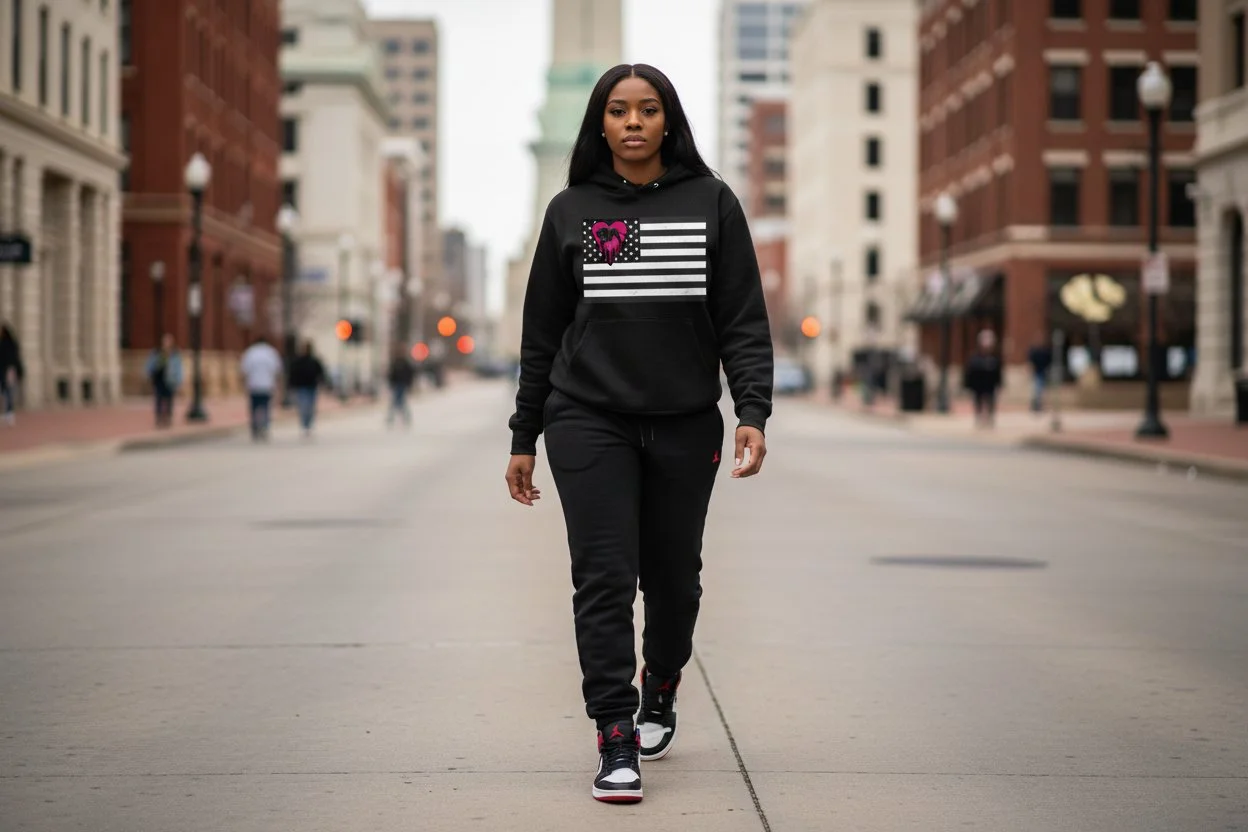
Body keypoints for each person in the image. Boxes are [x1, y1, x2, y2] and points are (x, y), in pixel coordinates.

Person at [504, 63, 773, 804]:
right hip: (586, 419)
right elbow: (542, 334)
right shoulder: (572, 211)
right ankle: (614, 732)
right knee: (603, 578)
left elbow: (742, 320)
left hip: (685, 422)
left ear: (667, 121)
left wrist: (752, 411)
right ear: (599, 125)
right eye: (618, 111)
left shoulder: (712, 203)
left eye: (646, 110)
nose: (631, 122)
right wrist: (525, 434)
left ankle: (662, 682)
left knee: (674, 580)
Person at [239, 335, 284, 440]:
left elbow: (244, 370)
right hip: (267, 385)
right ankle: (264, 426)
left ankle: (255, 427)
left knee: (254, 407)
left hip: (253, 385)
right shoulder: (271, 353)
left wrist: (243, 384)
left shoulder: (250, 352)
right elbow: (277, 370)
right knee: (265, 408)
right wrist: (279, 386)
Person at [287, 340, 328, 437]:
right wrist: (291, 384)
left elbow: (321, 373)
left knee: (310, 407)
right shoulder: (298, 361)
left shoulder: (314, 361)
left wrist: (323, 383)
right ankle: (304, 424)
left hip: (311, 387)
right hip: (301, 387)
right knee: (303, 407)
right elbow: (292, 373)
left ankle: (308, 424)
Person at [964, 329, 1004, 428]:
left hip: (990, 385)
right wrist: (968, 384)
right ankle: (978, 417)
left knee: (991, 400)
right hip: (978, 385)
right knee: (978, 400)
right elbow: (969, 372)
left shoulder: (994, 359)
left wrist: (1000, 383)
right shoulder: (975, 358)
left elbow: (998, 373)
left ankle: (990, 417)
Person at [144, 333, 184, 427]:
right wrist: (148, 374)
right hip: (159, 379)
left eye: (168, 341)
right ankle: (159, 418)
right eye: (165, 341)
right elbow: (150, 365)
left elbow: (179, 369)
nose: (166, 343)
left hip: (170, 379)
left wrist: (179, 381)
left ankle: (168, 418)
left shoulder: (174, 354)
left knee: (169, 399)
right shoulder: (157, 352)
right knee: (158, 398)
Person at [385, 347, 416, 428]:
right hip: (397, 385)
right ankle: (401, 417)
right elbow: (391, 374)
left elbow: (410, 374)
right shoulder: (395, 363)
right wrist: (391, 383)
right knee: (398, 402)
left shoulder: (405, 363)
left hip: (402, 385)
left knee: (398, 401)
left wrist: (409, 384)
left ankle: (398, 417)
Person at [0, 324, 24, 426]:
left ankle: (9, 413)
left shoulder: (6, 344)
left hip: (8, 370)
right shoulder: (11, 344)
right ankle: (8, 413)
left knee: (8, 392)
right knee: (7, 392)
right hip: (8, 370)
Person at [1027, 333, 1053, 413]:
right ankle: (1036, 404)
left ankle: (1038, 404)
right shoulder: (1035, 351)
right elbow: (1031, 361)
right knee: (1037, 388)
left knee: (1040, 389)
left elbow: (1049, 360)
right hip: (1037, 372)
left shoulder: (1045, 351)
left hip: (1043, 371)